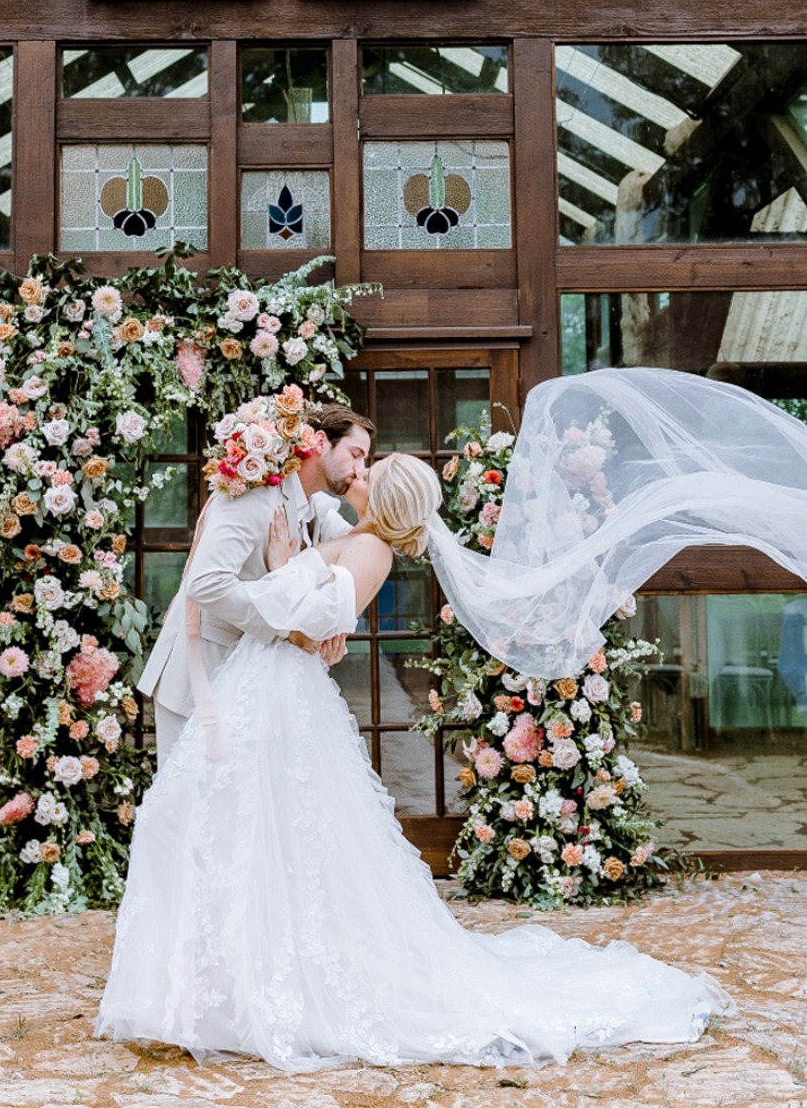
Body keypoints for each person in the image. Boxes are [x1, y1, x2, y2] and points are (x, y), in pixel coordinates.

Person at [96, 451, 728, 1072]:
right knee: (236, 825)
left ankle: (253, 980)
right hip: (261, 688)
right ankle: (228, 972)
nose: (358, 475)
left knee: (258, 825)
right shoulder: (356, 533)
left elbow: (319, 623)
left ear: (387, 498)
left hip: (279, 692)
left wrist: (287, 566)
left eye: (371, 474)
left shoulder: (371, 551)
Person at [137, 402, 374, 766]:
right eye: (355, 455)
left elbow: (360, 548)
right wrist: (287, 630)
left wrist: (370, 505)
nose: (360, 471)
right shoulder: (256, 494)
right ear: (321, 441)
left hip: (248, 685)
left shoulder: (315, 507)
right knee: (195, 811)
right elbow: (206, 583)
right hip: (200, 676)